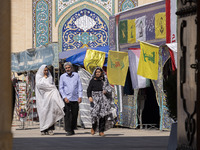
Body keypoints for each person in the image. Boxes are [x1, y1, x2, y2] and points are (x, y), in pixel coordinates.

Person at [35, 65, 65, 135]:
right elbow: (40, 86)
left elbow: (52, 86)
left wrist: (48, 83)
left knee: (51, 113)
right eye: (44, 70)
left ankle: (50, 129)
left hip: (50, 98)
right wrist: (44, 79)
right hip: (42, 99)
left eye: (46, 70)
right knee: (43, 113)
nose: (46, 72)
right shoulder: (38, 76)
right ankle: (43, 129)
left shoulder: (50, 77)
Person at [87, 67, 114, 136]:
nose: (97, 73)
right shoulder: (92, 80)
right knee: (94, 115)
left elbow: (109, 89)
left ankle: (101, 131)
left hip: (103, 99)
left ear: (101, 73)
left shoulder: (104, 81)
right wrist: (90, 97)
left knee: (102, 115)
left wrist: (106, 91)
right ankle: (93, 127)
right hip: (95, 99)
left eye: (99, 72)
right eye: (96, 72)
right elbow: (88, 90)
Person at [59, 62, 83, 136]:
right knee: (68, 115)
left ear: (71, 68)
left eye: (69, 67)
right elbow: (61, 88)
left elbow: (79, 86)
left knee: (74, 114)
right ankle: (68, 130)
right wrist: (64, 97)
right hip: (67, 99)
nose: (68, 69)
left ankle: (72, 128)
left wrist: (80, 96)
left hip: (75, 98)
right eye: (66, 68)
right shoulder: (62, 77)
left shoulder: (76, 75)